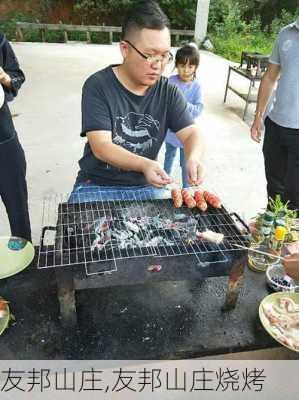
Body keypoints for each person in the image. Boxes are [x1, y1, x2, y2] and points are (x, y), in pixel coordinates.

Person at [70, 0, 205, 203]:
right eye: (150, 56)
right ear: (125, 49)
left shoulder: (168, 91)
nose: (158, 66)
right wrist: (145, 165)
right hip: (97, 183)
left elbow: (192, 133)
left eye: (164, 56)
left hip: (146, 184)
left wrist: (193, 157)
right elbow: (101, 146)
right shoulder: (98, 85)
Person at [250, 19, 299, 211]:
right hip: (276, 125)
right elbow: (270, 77)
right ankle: (272, 236)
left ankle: (290, 239)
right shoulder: (286, 33)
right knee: (274, 188)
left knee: (294, 196)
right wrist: (258, 116)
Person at [0, 33, 31, 241]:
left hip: (4, 138)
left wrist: (5, 78)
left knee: (17, 206)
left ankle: (25, 262)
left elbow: (16, 74)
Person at [164, 44, 203, 188]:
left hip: (187, 134)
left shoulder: (196, 86)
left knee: (186, 162)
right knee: (169, 157)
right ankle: (163, 183)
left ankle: (186, 189)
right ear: (176, 65)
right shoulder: (170, 81)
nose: (186, 70)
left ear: (195, 67)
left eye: (190, 67)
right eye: (182, 66)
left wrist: (182, 104)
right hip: (170, 132)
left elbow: (199, 109)